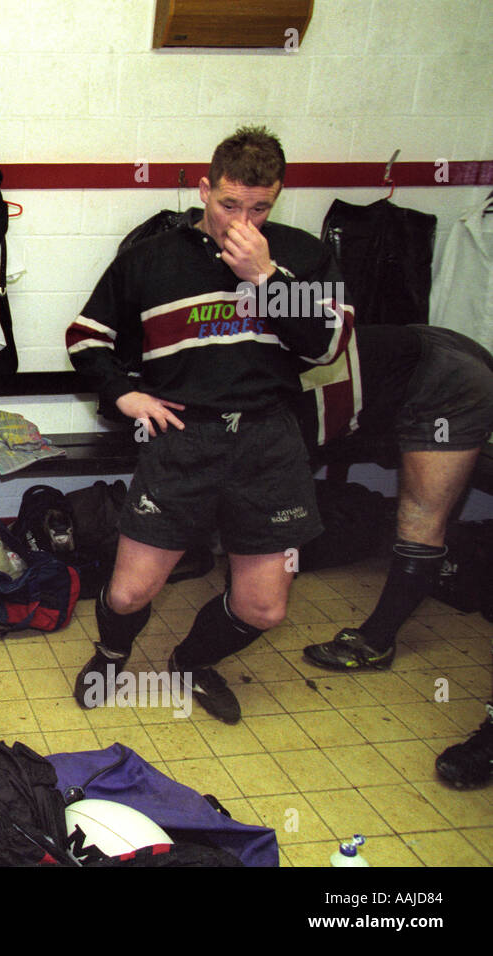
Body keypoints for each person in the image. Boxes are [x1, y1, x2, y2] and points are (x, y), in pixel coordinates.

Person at [64, 125, 352, 724]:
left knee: (265, 606)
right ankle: (112, 651)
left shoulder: (301, 256)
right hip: (181, 437)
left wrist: (267, 279)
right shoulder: (151, 258)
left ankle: (192, 661)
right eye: (227, 204)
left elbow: (329, 347)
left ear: (277, 199)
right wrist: (124, 394)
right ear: (203, 189)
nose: (239, 221)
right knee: (127, 592)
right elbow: (87, 337)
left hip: (268, 441)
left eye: (258, 207)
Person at [298, 323, 493, 789]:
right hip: (425, 353)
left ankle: (375, 643)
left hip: (446, 381)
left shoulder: (251, 385)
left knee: (420, 519)